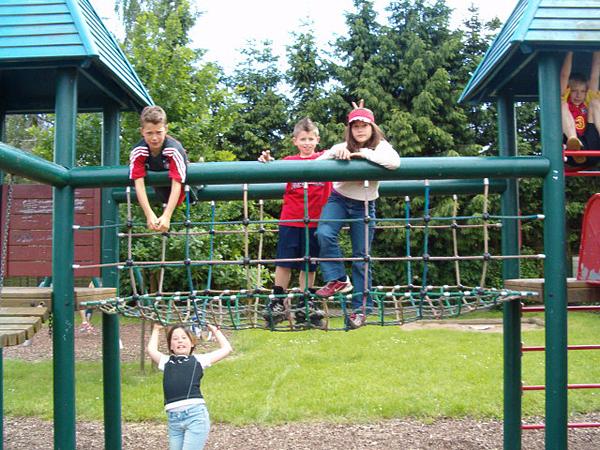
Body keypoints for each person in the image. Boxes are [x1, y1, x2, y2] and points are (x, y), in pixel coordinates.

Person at [314, 105, 400, 329]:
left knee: (361, 257)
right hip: (339, 199)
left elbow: (394, 163)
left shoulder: (381, 146)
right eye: (355, 127)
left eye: (364, 126)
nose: (360, 130)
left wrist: (364, 155)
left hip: (365, 204)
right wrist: (336, 156)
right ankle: (338, 279)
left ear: (372, 128)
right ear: (350, 130)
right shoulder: (342, 146)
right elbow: (316, 164)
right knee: (324, 233)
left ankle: (360, 310)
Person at [258, 118, 332, 327]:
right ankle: (278, 300)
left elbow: (343, 150)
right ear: (295, 141)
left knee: (309, 263)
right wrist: (267, 160)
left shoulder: (325, 158)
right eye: (303, 139)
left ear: (317, 140)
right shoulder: (289, 161)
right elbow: (273, 166)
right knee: (284, 262)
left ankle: (304, 300)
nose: (307, 143)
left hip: (316, 221)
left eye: (310, 139)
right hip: (291, 219)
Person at [147, 322, 232, 450]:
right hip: (174, 420)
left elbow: (227, 349)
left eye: (184, 337)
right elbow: (151, 350)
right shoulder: (166, 361)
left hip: (195, 416)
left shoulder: (198, 360)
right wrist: (156, 330)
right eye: (175, 339)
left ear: (192, 343)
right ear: (171, 346)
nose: (180, 341)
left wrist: (215, 331)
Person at [129, 105, 190, 232]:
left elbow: (177, 183)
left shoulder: (173, 150)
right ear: (142, 132)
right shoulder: (138, 151)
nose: (154, 138)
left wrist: (167, 216)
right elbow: (138, 183)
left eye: (159, 132)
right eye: (149, 133)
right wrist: (149, 214)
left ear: (166, 129)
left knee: (192, 189)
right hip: (158, 188)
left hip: (183, 189)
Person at [561, 51, 600, 168]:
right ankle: (573, 141)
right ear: (569, 90)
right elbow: (564, 75)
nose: (578, 95)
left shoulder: (586, 101)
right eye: (574, 91)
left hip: (591, 147)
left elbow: (595, 76)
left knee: (595, 102)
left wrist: (597, 50)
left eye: (582, 91)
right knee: (561, 105)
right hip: (572, 152)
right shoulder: (565, 100)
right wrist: (569, 51)